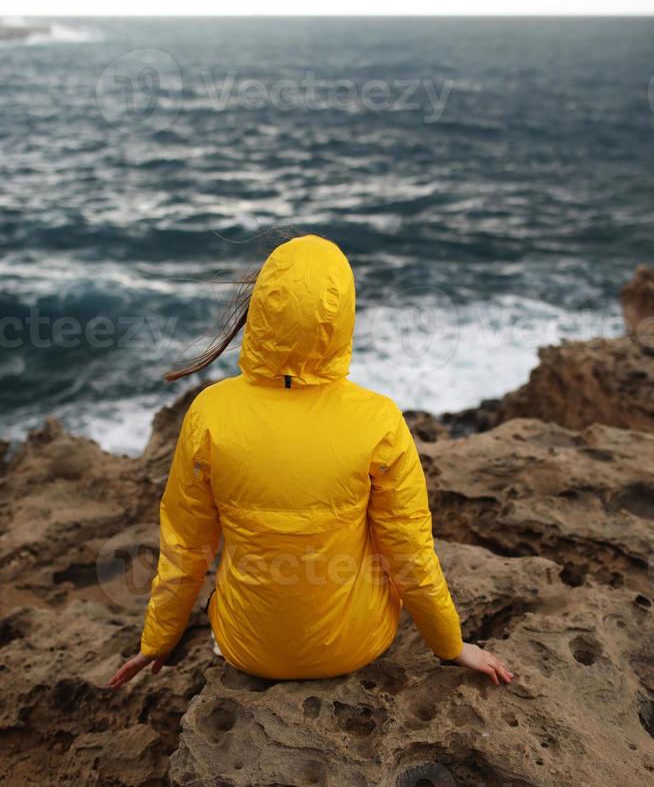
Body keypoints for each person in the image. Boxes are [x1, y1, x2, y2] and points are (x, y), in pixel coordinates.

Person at [107, 235, 512, 688]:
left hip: (247, 650)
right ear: (342, 318)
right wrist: (452, 647)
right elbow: (409, 553)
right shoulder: (378, 418)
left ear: (261, 309)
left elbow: (185, 547)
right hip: (357, 647)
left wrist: (156, 643)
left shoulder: (209, 412)